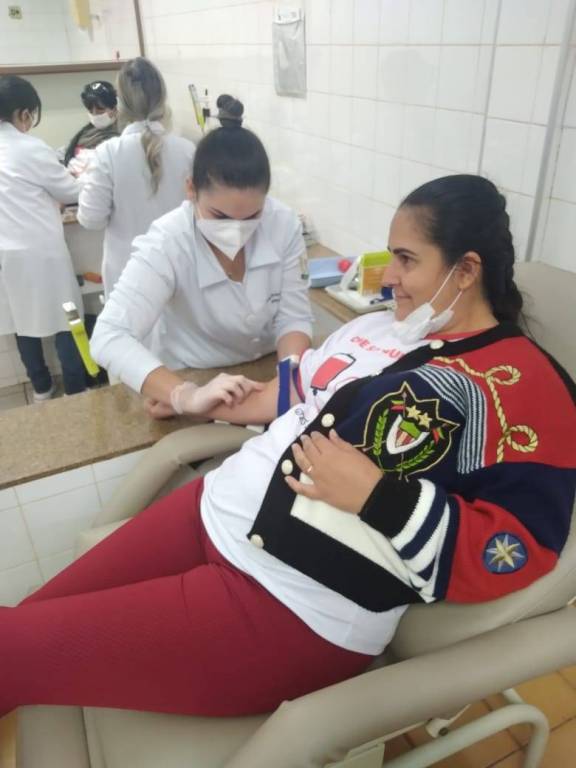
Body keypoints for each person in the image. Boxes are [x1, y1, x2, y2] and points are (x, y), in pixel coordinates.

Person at [2, 175, 575, 718]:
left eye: (406, 260)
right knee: (28, 620)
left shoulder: (520, 387)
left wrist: (379, 497)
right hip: (213, 510)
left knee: (12, 652)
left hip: (285, 600)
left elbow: (518, 545)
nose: (387, 279)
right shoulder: (382, 327)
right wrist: (190, 398)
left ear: (466, 269)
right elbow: (296, 389)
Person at [89, 93, 313, 396]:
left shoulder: (283, 224)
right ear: (191, 189)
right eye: (220, 216)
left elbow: (294, 317)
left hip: (266, 370)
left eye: (252, 217)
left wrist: (289, 382)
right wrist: (184, 396)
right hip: (193, 373)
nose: (237, 230)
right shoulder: (168, 241)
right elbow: (109, 335)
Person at [77, 57, 195, 296]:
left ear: (119, 103)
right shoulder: (187, 150)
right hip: (179, 267)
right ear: (162, 98)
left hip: (127, 272)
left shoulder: (108, 153)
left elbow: (91, 219)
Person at [0, 75, 86, 399]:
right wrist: (83, 176)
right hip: (40, 251)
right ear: (23, 113)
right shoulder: (29, 147)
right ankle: (74, 390)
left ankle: (41, 388)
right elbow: (71, 191)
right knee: (67, 319)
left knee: (21, 322)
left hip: (6, 255)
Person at [62, 80, 119, 174]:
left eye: (100, 109)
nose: (94, 113)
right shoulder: (86, 132)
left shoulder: (119, 137)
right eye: (90, 109)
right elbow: (65, 152)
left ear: (114, 109)